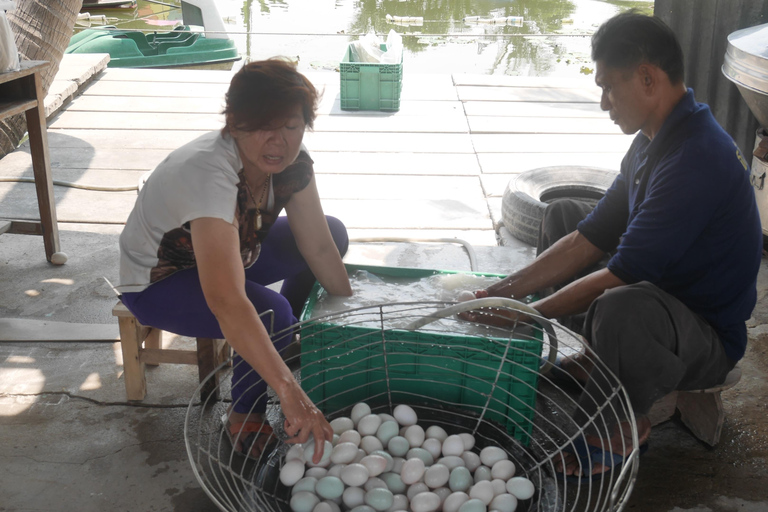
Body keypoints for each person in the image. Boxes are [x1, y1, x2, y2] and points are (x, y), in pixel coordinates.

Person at [464, 11, 762, 480]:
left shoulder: (696, 156)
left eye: (608, 87)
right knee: (563, 213)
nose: (604, 102)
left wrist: (527, 314)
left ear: (647, 78)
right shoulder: (652, 140)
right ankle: (592, 358)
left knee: (623, 307)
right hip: (662, 293)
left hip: (703, 333)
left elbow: (622, 271)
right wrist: (504, 291)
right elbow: (589, 237)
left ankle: (617, 430)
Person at [116, 59, 352, 462]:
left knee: (334, 232)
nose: (279, 142)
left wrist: (356, 316)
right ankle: (244, 414)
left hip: (233, 253)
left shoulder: (292, 162)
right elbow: (226, 300)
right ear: (235, 123)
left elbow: (317, 246)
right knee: (268, 311)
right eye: (264, 126)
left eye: (292, 127)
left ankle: (283, 344)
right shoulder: (208, 171)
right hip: (159, 281)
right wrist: (292, 395)